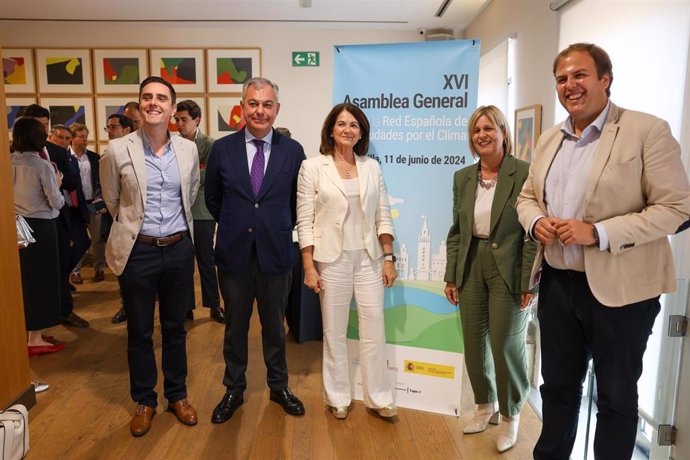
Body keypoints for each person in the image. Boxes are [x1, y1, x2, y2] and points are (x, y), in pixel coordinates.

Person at [515, 43, 690, 459]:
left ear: (605, 80)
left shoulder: (647, 130)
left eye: (580, 75)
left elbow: (677, 208)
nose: (570, 86)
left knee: (614, 397)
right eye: (562, 78)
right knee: (557, 388)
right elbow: (526, 197)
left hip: (623, 290)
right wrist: (536, 222)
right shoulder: (547, 140)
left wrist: (598, 232)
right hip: (558, 284)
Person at [100, 76, 200, 437]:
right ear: (140, 105)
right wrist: (134, 229)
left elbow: (188, 193)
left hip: (177, 249)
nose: (153, 102)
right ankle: (145, 400)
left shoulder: (188, 150)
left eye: (161, 98)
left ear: (174, 109)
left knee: (175, 328)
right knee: (140, 331)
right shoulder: (117, 149)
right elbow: (113, 201)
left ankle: (178, 395)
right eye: (147, 97)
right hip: (137, 252)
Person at [205, 77, 306, 423]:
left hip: (276, 252)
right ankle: (234, 387)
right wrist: (239, 225)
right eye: (253, 103)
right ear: (242, 107)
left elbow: (298, 202)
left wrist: (271, 227)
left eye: (266, 104)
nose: (259, 110)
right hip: (234, 253)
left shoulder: (293, 151)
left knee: (275, 326)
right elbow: (213, 199)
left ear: (276, 109)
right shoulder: (222, 148)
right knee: (235, 326)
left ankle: (278, 386)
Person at [296, 103, 398, 420]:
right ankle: (337, 396)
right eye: (342, 124)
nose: (348, 130)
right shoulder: (312, 167)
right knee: (334, 332)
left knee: (373, 329)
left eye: (354, 125)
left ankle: (378, 397)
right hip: (331, 259)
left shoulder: (372, 167)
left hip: (368, 258)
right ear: (330, 130)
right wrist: (308, 266)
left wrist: (389, 257)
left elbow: (383, 215)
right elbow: (305, 220)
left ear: (361, 132)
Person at [443, 105, 536, 453]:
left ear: (502, 133)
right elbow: (457, 230)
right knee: (473, 342)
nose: (482, 135)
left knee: (505, 344)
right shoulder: (463, 177)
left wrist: (530, 280)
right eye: (476, 130)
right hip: (471, 264)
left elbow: (533, 233)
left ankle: (511, 415)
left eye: (488, 128)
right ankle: (486, 405)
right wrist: (452, 274)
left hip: (509, 268)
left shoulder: (524, 173)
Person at [18, 104, 89, 328]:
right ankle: (37, 322)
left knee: (68, 256)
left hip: (59, 218)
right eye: (38, 125)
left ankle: (62, 310)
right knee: (35, 272)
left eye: (45, 125)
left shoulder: (56, 151)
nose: (42, 129)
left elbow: (73, 180)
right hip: (30, 221)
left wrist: (55, 179)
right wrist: (51, 183)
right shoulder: (13, 156)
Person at [12, 117, 66, 361]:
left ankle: (29, 334)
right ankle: (36, 337)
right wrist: (58, 182)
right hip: (40, 225)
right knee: (43, 280)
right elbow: (57, 202)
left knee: (25, 279)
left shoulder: (9, 161)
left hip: (16, 224)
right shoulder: (42, 166)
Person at [174, 99, 225, 324]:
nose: (179, 124)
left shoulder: (210, 145)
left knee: (206, 260)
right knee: (183, 262)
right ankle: (185, 307)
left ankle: (214, 305)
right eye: (177, 120)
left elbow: (209, 177)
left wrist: (187, 177)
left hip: (203, 212)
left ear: (197, 119)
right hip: (179, 212)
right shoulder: (173, 144)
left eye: (184, 120)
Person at [101, 114, 134, 324]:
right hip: (122, 220)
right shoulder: (110, 153)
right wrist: (122, 217)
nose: (111, 131)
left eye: (114, 127)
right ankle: (126, 305)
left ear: (126, 129)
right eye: (109, 127)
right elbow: (110, 196)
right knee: (123, 268)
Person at [68, 123, 106, 283]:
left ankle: (99, 269)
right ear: (72, 138)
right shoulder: (65, 157)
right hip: (74, 205)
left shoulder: (94, 157)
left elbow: (101, 181)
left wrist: (101, 200)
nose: (84, 140)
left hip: (93, 202)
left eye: (86, 136)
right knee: (77, 239)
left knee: (97, 238)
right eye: (81, 137)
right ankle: (75, 272)